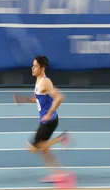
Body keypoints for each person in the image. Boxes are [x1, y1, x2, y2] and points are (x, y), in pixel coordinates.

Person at [13, 55, 70, 183]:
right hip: (47, 120)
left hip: (49, 121)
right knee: (44, 150)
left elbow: (60, 97)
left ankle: (62, 138)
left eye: (35, 66)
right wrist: (23, 99)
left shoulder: (45, 82)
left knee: (33, 148)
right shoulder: (39, 80)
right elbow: (38, 99)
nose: (32, 68)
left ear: (42, 68)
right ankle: (59, 174)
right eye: (32, 65)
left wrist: (49, 113)